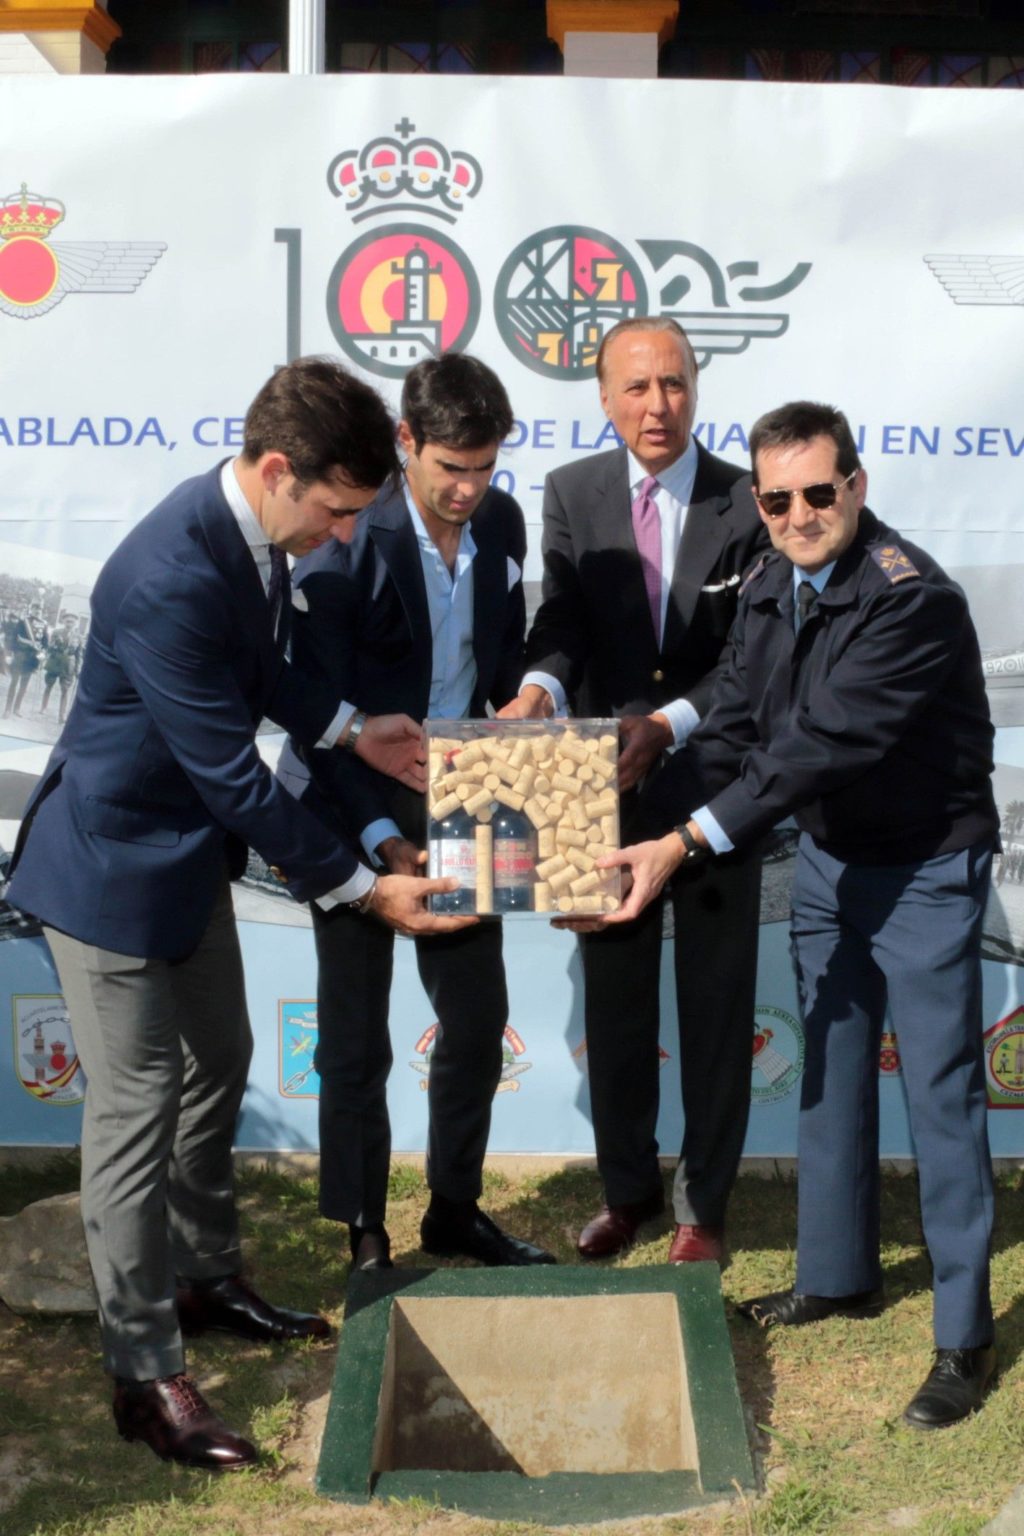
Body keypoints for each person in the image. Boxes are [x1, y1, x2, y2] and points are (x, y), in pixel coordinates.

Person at [7, 356, 475, 1472]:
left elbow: (261, 675)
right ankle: (145, 1376)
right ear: (278, 471)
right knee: (134, 1111)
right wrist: (365, 888)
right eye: (336, 513)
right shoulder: (170, 569)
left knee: (222, 1054)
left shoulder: (251, 532)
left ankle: (206, 1276)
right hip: (107, 873)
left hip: (181, 863)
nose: (344, 537)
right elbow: (231, 775)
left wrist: (353, 724)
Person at [600, 401, 999, 1430]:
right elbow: (735, 711)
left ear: (856, 487)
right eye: (776, 500)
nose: (798, 515)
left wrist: (681, 842)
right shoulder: (772, 582)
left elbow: (815, 745)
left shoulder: (913, 603)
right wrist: (644, 766)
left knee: (943, 1100)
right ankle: (836, 1275)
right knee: (825, 1068)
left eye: (819, 493)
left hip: (921, 869)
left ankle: (964, 1339)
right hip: (826, 862)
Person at [499, 316, 768, 1264]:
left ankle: (704, 1207)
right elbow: (563, 620)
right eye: (639, 388)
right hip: (598, 789)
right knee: (615, 1007)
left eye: (677, 385)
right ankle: (628, 1194)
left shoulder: (750, 500)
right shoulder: (572, 492)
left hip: (716, 791)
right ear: (606, 398)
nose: (660, 407)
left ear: (697, 389)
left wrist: (670, 725)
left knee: (715, 1004)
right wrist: (541, 688)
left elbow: (751, 659)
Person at [278, 353, 554, 1271]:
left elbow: (505, 655)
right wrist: (380, 838)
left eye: (485, 468)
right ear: (406, 443)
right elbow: (320, 715)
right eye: (451, 469)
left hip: (472, 793)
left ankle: (455, 1209)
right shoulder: (345, 538)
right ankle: (364, 1230)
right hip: (350, 802)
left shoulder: (504, 523)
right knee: (354, 1035)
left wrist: (526, 700)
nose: (470, 489)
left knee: (478, 1020)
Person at [4, 600, 48, 718]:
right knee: (14, 683)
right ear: (31, 609)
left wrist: (42, 655)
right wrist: (9, 654)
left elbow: (45, 643)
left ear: (42, 611)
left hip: (32, 658)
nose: (37, 611)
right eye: (35, 609)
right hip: (20, 655)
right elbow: (13, 638)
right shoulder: (23, 622)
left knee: (24, 685)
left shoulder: (44, 624)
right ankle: (7, 709)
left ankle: (17, 708)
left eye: (39, 610)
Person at [40, 615, 79, 724]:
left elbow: (78, 655)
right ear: (63, 622)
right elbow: (50, 647)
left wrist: (77, 669)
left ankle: (62, 715)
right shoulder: (56, 632)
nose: (69, 624)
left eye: (72, 622)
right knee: (49, 685)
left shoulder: (78, 636)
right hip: (55, 663)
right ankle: (43, 707)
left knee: (65, 690)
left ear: (75, 623)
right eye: (67, 621)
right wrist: (56, 643)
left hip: (68, 666)